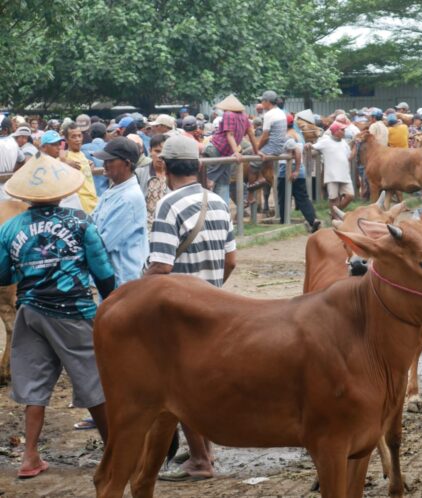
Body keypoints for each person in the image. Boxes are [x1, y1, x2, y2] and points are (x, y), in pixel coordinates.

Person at [0, 153, 116, 478]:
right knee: (93, 379)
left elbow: (3, 275)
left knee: (34, 383)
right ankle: (113, 451)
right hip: (74, 312)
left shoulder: (10, 228)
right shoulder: (79, 221)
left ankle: (30, 456)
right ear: (62, 190)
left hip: (30, 312)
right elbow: (103, 270)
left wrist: (30, 268)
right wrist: (111, 303)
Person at [144, 135, 236, 482]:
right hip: (214, 304)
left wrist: (136, 290)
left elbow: (162, 266)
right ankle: (205, 450)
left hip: (181, 309)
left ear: (163, 167)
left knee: (179, 385)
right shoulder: (216, 201)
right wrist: (213, 288)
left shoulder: (168, 204)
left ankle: (200, 460)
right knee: (202, 382)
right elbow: (232, 259)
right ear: (198, 166)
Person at [91, 138, 149, 286]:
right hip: (112, 275)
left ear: (127, 164)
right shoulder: (115, 189)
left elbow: (103, 243)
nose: (105, 164)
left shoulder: (129, 198)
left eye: (110, 160)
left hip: (124, 279)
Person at [205, 94, 259, 206]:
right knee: (218, 183)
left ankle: (218, 211)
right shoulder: (244, 116)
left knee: (213, 182)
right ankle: (214, 210)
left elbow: (230, 134)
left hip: (219, 150)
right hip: (221, 151)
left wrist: (236, 152)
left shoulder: (228, 114)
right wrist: (257, 151)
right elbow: (251, 134)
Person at [277, 114, 321, 231]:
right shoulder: (299, 135)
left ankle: (283, 222)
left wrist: (295, 170)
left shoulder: (287, 136)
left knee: (283, 197)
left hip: (287, 169)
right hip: (299, 169)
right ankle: (313, 219)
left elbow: (296, 151)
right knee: (302, 197)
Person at [306, 121, 354, 212]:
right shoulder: (325, 142)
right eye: (342, 130)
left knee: (350, 196)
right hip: (332, 176)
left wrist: (355, 145)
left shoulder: (344, 143)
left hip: (345, 175)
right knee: (333, 199)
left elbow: (349, 157)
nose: (344, 131)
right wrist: (308, 145)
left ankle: (335, 213)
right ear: (335, 131)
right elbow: (313, 147)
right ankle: (335, 218)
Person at [60, 125, 98, 214]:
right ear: (66, 139)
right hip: (80, 207)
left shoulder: (82, 155)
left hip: (93, 204)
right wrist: (63, 161)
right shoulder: (65, 157)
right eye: (73, 137)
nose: (77, 139)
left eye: (79, 136)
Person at [136, 134, 169, 233]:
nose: (160, 156)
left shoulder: (175, 175)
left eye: (164, 152)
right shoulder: (140, 173)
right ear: (150, 151)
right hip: (145, 228)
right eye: (157, 151)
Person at [81, 122, 110, 196]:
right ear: (105, 134)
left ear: (90, 134)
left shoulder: (82, 148)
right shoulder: (111, 147)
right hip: (106, 193)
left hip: (88, 194)